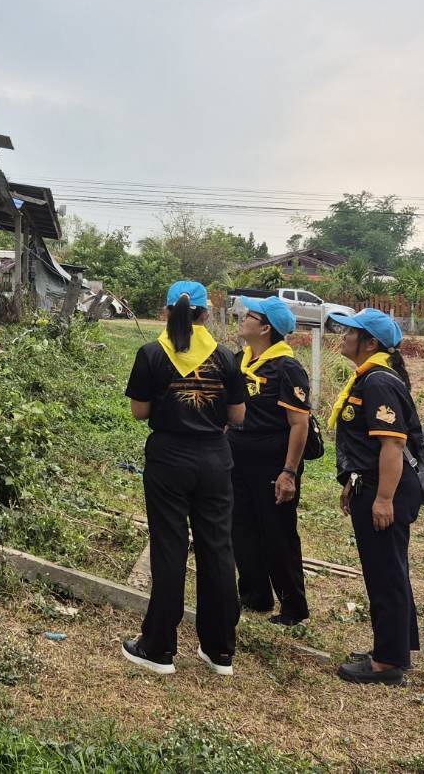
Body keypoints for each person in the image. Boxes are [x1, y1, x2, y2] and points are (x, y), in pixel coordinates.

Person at [121, 281, 247, 677]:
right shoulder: (227, 358)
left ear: (165, 312)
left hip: (169, 460)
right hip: (214, 460)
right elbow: (238, 417)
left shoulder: (151, 354)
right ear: (206, 314)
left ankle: (158, 648)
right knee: (218, 549)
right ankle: (220, 650)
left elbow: (139, 413)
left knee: (169, 548)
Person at [327, 307, 422, 685]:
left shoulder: (379, 382)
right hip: (371, 482)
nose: (343, 336)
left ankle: (387, 663)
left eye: (351, 332)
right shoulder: (369, 378)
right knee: (389, 569)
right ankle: (396, 646)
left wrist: (383, 498)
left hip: (389, 488)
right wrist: (354, 481)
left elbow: (392, 447)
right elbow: (367, 446)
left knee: (385, 573)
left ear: (370, 343)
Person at [230, 295, 312, 626]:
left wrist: (289, 472)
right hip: (237, 460)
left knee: (277, 534)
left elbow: (299, 424)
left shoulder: (287, 368)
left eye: (248, 316)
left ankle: (293, 607)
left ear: (265, 328)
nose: (241, 319)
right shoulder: (240, 360)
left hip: (273, 465)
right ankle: (254, 595)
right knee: (242, 529)